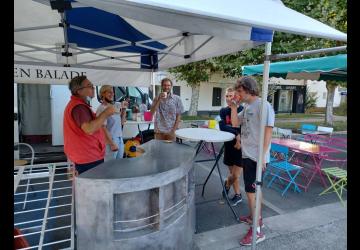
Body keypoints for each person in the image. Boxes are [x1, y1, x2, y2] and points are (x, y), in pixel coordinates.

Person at [230, 76, 275, 246]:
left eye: (240, 91)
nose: (238, 94)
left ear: (249, 89)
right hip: (247, 154)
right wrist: (234, 106)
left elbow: (268, 132)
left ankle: (257, 230)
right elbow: (235, 122)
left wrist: (263, 156)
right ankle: (256, 217)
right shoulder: (247, 106)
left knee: (251, 192)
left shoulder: (263, 105)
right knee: (254, 190)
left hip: (257, 156)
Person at [63, 75, 116, 175]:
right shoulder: (79, 107)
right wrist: (106, 113)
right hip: (87, 158)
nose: (93, 88)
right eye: (89, 86)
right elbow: (89, 129)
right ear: (79, 91)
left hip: (86, 156)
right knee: (93, 188)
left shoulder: (79, 105)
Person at [219, 87, 244, 206]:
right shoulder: (223, 111)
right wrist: (237, 133)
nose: (229, 98)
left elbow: (243, 127)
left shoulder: (242, 110)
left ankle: (230, 187)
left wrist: (238, 135)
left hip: (240, 147)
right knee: (232, 173)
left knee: (235, 174)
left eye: (231, 96)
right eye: (227, 96)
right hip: (228, 145)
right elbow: (222, 127)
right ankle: (235, 191)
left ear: (236, 97)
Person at [96, 85, 128, 161]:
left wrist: (124, 109)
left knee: (118, 166)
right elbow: (102, 128)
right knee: (109, 166)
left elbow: (122, 122)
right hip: (111, 139)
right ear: (103, 94)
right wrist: (112, 143)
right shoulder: (101, 108)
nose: (112, 94)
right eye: (109, 92)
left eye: (112, 92)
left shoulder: (115, 105)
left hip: (120, 138)